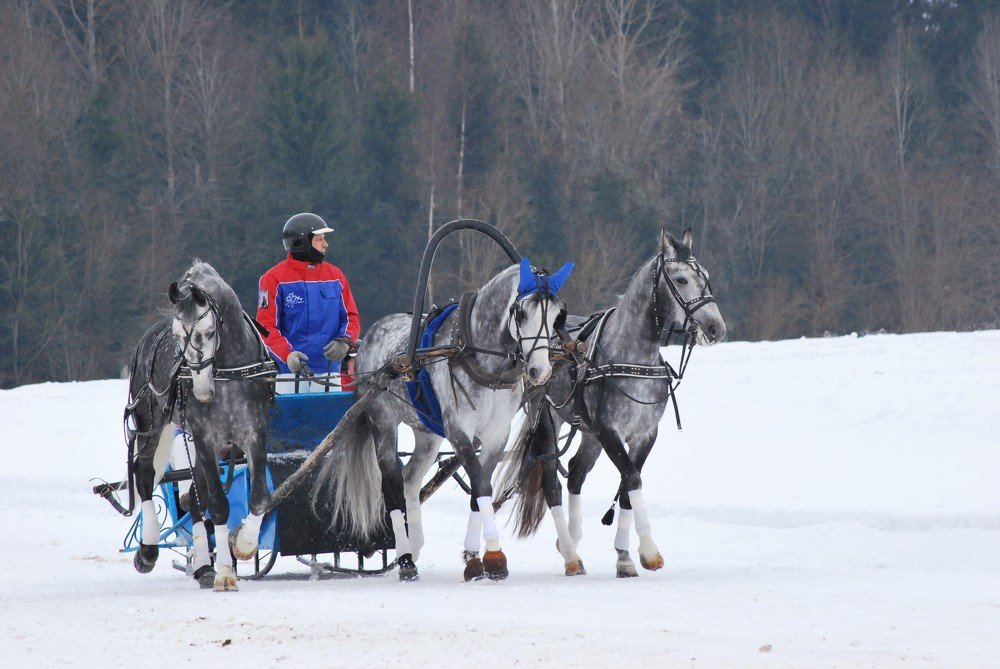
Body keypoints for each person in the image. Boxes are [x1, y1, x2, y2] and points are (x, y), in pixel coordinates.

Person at [257, 213, 360, 393]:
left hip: (329, 372)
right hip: (289, 373)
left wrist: (345, 341)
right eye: (319, 239)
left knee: (331, 413)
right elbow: (265, 327)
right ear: (302, 242)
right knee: (292, 412)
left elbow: (351, 317)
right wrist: (287, 355)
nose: (325, 244)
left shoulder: (336, 276)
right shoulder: (273, 279)